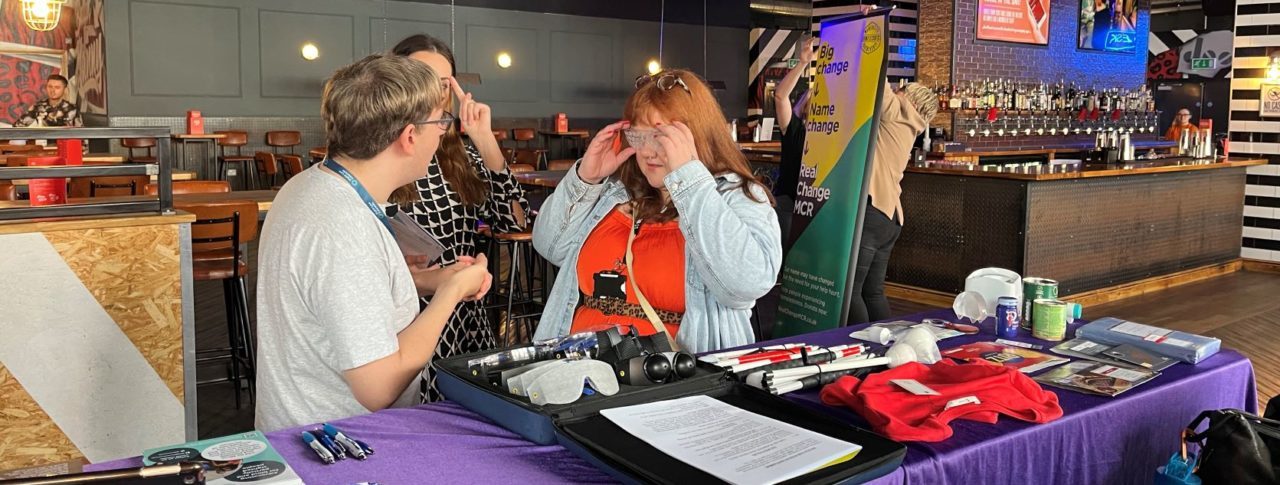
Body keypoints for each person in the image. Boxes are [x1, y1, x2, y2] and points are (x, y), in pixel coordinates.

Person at [254, 54, 492, 432]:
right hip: (339, 445)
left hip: (298, 431)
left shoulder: (310, 185)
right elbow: (378, 386)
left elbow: (331, 298)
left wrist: (427, 280)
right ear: (409, 137)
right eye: (440, 121)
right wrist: (450, 293)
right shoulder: (343, 227)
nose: (442, 132)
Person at [532, 69, 782, 353]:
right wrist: (586, 180)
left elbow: (748, 284)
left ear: (697, 135)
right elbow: (550, 246)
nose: (648, 152)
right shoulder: (616, 193)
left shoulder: (735, 196)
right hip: (581, 364)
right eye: (639, 137)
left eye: (661, 137)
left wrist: (688, 179)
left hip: (674, 370)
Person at [390, 34, 528, 403]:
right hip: (407, 314)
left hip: (466, 314)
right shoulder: (383, 152)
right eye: (420, 77)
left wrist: (485, 139)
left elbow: (513, 223)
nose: (433, 92)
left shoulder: (460, 156)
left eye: (442, 83)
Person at [848, 81, 938, 325]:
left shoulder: (897, 110)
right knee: (873, 292)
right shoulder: (910, 125)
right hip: (891, 217)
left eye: (903, 88)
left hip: (874, 210)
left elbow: (878, 81)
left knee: (851, 290)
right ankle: (886, 342)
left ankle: (862, 343)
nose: (898, 89)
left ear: (912, 99)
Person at [773, 36, 817, 251]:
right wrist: (802, 63)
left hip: (815, 209)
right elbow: (780, 96)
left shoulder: (831, 136)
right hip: (789, 204)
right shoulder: (795, 129)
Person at [14, 74, 81, 127]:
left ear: (65, 90)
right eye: (50, 87)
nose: (52, 90)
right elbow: (18, 126)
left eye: (57, 87)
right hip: (42, 139)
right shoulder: (38, 106)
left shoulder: (72, 109)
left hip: (64, 140)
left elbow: (80, 132)